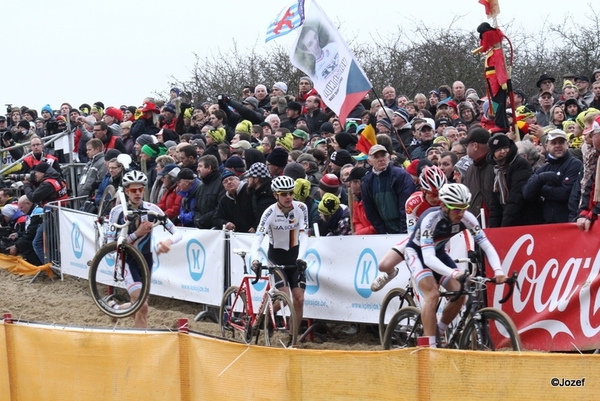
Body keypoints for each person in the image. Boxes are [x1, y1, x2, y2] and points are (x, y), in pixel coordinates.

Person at [404, 183, 507, 347]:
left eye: (464, 208)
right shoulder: (430, 219)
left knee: (460, 293)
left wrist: (498, 271)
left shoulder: (467, 218)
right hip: (418, 254)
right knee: (433, 295)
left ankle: (441, 331)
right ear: (444, 206)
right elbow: (428, 258)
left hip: (439, 254)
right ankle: (429, 349)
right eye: (456, 209)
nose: (461, 213)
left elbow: (486, 245)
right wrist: (454, 273)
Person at [105, 170, 182, 328]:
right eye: (134, 190)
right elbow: (111, 246)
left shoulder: (152, 209)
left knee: (139, 307)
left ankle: (115, 308)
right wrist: (136, 234)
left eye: (140, 189)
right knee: (142, 306)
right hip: (127, 260)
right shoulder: (117, 212)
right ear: (126, 191)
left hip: (146, 261)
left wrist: (169, 241)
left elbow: (177, 233)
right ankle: (141, 340)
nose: (138, 193)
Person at [371, 165, 447, 291]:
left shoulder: (448, 201)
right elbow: (412, 236)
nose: (437, 198)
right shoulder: (413, 202)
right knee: (383, 265)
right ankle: (390, 274)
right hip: (418, 237)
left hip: (441, 240)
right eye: (433, 194)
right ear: (423, 190)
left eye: (440, 194)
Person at [250, 176, 309, 337]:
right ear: (276, 195)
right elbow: (258, 237)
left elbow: (304, 235)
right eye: (284, 194)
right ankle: (268, 315)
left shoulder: (301, 208)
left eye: (291, 192)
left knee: (299, 299)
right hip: (276, 257)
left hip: (295, 256)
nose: (289, 196)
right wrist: (255, 258)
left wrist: (301, 258)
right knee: (284, 298)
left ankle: (293, 338)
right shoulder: (269, 212)